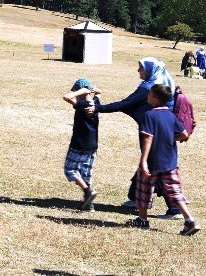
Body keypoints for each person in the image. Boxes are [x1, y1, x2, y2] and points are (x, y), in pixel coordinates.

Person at [92, 57, 178, 216]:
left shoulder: (150, 88)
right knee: (149, 164)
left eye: (141, 68)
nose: (138, 71)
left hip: (153, 133)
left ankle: (175, 208)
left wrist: (98, 108)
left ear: (151, 70)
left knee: (155, 167)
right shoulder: (162, 82)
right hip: (162, 130)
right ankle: (134, 197)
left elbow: (127, 103)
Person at [127, 84, 200, 236]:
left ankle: (142, 219)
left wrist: (144, 160)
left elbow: (148, 137)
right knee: (175, 192)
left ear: (155, 98)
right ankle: (190, 220)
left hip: (154, 160)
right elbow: (185, 134)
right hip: (170, 161)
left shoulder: (149, 115)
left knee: (144, 190)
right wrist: (170, 139)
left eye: (149, 94)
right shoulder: (170, 115)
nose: (147, 95)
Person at [62, 78, 101, 211]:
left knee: (70, 170)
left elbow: (66, 97)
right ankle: (89, 205)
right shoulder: (96, 102)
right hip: (92, 145)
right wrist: (90, 91)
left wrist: (83, 91)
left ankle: (87, 191)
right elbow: (99, 92)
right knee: (86, 173)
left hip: (79, 144)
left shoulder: (82, 105)